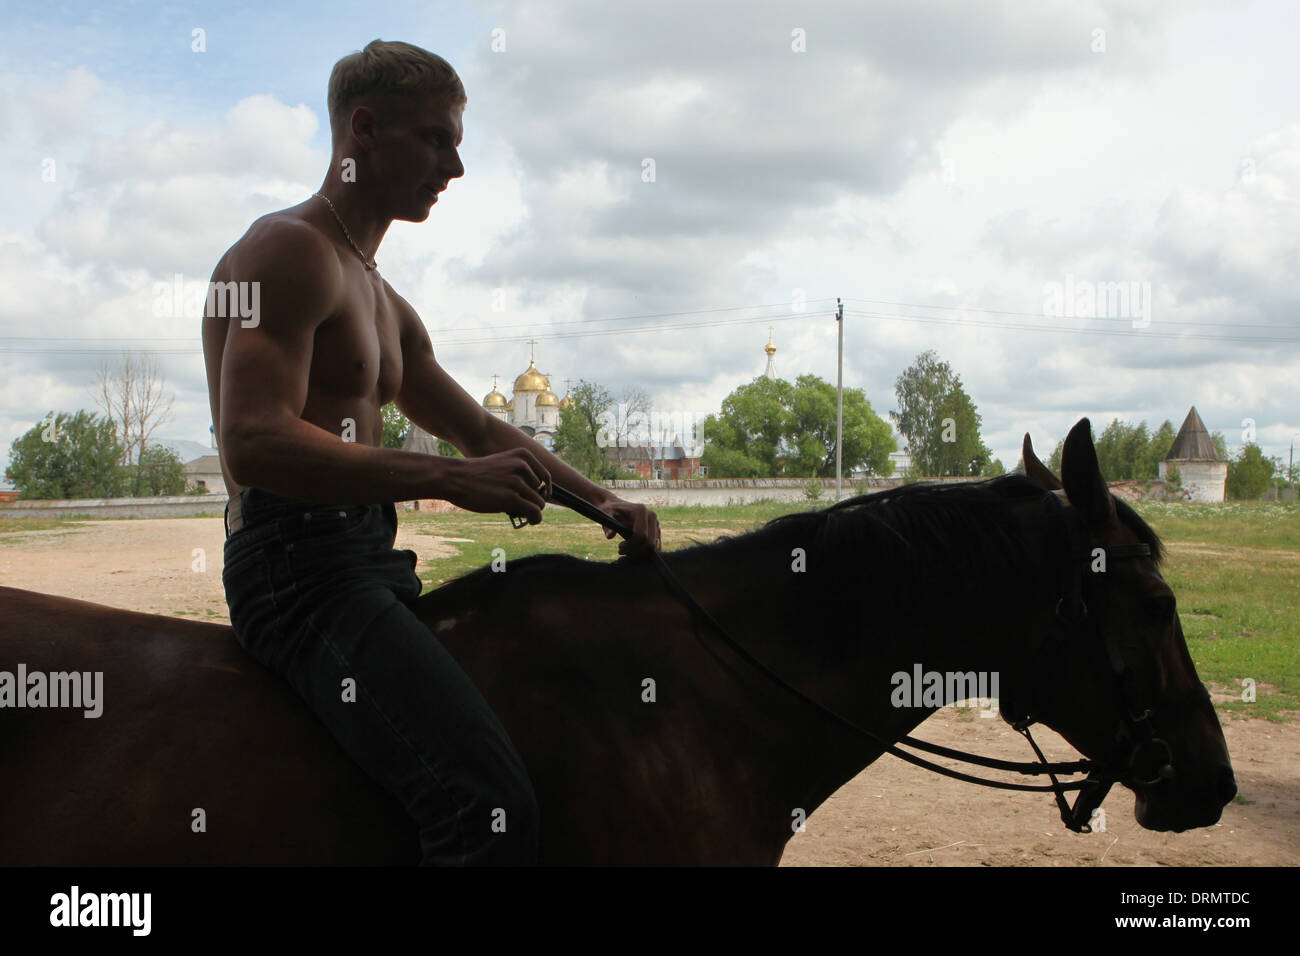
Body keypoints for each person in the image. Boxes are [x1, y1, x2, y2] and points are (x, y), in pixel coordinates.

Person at [200, 39, 661, 865]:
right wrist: (449, 481)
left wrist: (603, 501)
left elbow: (482, 431)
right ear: (364, 130)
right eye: (436, 139)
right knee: (486, 809)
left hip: (368, 561)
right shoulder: (287, 250)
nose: (455, 166)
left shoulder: (383, 298)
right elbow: (253, 438)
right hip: (298, 572)